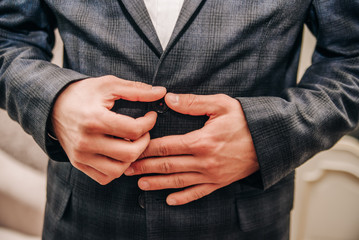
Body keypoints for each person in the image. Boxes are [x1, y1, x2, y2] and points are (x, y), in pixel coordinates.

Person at [0, 1, 358, 239]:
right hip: (83, 219)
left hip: (242, 224)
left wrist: (270, 135)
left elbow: (352, 56)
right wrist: (55, 101)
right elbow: (7, 38)